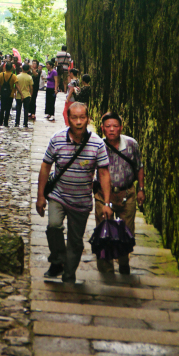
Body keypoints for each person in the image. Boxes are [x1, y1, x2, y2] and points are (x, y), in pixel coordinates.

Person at [36, 102, 112, 283]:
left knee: (76, 241)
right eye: (74, 118)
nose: (78, 122)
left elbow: (104, 173)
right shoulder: (57, 139)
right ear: (68, 118)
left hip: (81, 201)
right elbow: (46, 167)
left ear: (88, 118)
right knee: (53, 226)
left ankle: (69, 274)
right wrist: (40, 196)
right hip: (58, 195)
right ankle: (58, 259)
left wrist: (107, 203)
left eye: (82, 117)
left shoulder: (97, 144)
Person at [94, 112, 145, 275]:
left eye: (115, 126)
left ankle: (124, 261)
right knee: (103, 231)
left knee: (126, 231)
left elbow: (139, 166)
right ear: (102, 128)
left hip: (127, 193)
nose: (111, 130)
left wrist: (141, 189)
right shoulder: (97, 146)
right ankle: (106, 267)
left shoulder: (131, 144)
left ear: (121, 128)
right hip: (103, 195)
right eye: (108, 126)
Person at [0, 62, 17, 127]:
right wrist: (15, 92)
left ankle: (0, 122)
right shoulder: (13, 76)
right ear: (11, 68)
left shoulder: (1, 74)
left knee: (2, 108)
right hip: (10, 94)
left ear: (5, 68)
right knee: (8, 109)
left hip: (2, 94)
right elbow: (16, 85)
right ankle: (6, 122)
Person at [14, 63, 33, 128]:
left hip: (19, 95)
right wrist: (30, 95)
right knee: (26, 110)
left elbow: (16, 86)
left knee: (18, 109)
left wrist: (15, 93)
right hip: (27, 95)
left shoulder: (17, 76)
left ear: (22, 68)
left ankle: (17, 122)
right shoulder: (29, 77)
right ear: (28, 70)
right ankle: (25, 123)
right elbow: (31, 88)